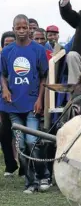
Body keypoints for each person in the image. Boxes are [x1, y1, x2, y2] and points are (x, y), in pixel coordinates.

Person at [0, 14, 51, 193]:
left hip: (31, 105)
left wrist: (39, 99)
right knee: (20, 145)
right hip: (13, 105)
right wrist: (5, 89)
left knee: (32, 141)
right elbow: (2, 74)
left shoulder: (38, 50)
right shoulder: (6, 52)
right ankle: (30, 182)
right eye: (18, 28)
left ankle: (43, 175)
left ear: (29, 28)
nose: (21, 31)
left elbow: (44, 76)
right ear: (13, 29)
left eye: (24, 28)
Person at [0, 31, 21, 177]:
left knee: (22, 136)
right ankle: (10, 165)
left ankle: (25, 167)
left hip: (22, 102)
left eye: (12, 43)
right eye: (6, 44)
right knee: (4, 133)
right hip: (4, 104)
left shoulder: (22, 60)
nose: (9, 46)